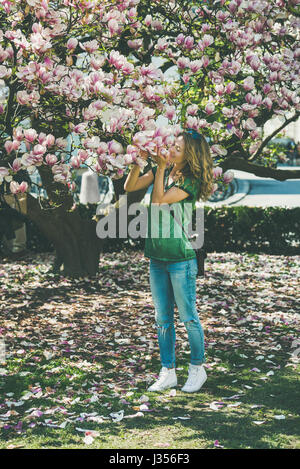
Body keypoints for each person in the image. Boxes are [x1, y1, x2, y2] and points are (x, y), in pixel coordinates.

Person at [124, 129, 214, 392]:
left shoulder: (192, 180)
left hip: (181, 258)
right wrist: (137, 163)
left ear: (191, 155)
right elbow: (130, 187)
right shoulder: (164, 168)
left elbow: (159, 200)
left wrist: (161, 167)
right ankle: (168, 372)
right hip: (156, 255)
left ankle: (197, 368)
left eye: (178, 148)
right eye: (172, 145)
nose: (171, 149)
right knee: (162, 318)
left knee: (188, 317)